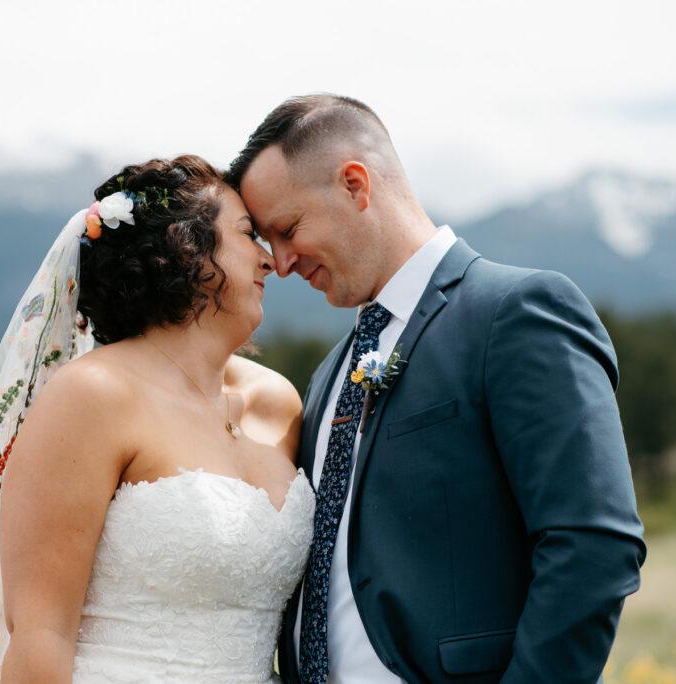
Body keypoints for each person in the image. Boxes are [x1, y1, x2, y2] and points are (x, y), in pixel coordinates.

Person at [228, 94, 647, 684]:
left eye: (288, 229)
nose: (283, 262)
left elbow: (595, 546)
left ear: (355, 185)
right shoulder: (327, 374)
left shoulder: (517, 312)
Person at [0, 155, 315, 683]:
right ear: (186, 249)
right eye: (247, 235)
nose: (270, 260)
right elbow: (41, 635)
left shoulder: (276, 402)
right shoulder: (91, 396)